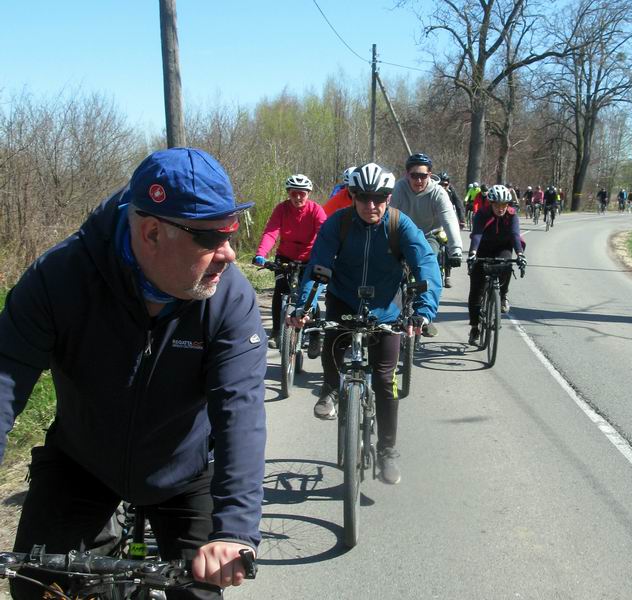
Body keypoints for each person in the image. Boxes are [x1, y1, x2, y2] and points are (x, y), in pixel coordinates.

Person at [0, 147, 267, 599]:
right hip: (82, 463)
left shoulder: (230, 300)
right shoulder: (59, 278)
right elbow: (4, 377)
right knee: (34, 589)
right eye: (210, 239)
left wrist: (236, 530)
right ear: (151, 233)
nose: (229, 254)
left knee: (200, 592)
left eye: (232, 234)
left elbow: (240, 409)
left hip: (182, 471)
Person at [288, 162, 441, 484]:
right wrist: (303, 307)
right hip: (343, 300)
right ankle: (330, 388)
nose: (372, 206)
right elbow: (316, 266)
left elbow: (425, 265)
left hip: (387, 309)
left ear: (388, 196)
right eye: (363, 198)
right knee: (332, 342)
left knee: (385, 380)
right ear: (352, 196)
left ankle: (387, 450)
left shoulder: (401, 225)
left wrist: (423, 311)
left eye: (380, 197)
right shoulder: (337, 224)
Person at [252, 173, 327, 353]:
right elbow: (271, 232)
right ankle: (277, 332)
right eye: (294, 193)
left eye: (302, 193)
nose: (298, 197)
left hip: (309, 257)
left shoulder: (316, 210)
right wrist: (261, 254)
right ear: (288, 193)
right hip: (285, 257)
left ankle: (315, 335)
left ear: (308, 193)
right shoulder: (281, 209)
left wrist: (325, 255)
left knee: (309, 295)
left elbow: (324, 234)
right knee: (280, 290)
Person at [389, 153, 462, 323]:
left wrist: (456, 249)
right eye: (414, 175)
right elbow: (388, 215)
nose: (419, 180)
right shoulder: (399, 188)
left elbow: (449, 219)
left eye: (423, 176)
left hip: (429, 235)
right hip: (402, 235)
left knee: (428, 264)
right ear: (407, 174)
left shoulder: (438, 192)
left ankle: (424, 314)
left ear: (430, 175)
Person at [466, 185, 525, 344]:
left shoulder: (512, 216)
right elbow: (477, 234)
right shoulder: (481, 214)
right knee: (476, 290)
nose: (501, 209)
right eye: (497, 205)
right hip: (483, 248)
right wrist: (472, 254)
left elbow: (514, 235)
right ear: (490, 203)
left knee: (507, 263)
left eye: (504, 205)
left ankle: (503, 295)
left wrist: (520, 254)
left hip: (502, 247)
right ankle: (474, 326)